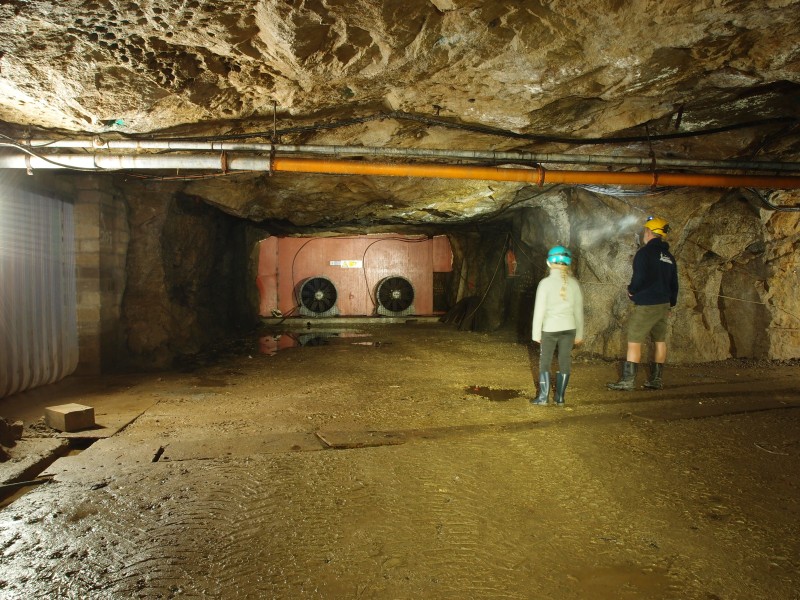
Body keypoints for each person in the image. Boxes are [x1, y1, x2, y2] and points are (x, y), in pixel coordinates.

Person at [608, 216, 679, 391]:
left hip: (647, 304)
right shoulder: (669, 257)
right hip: (663, 304)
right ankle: (656, 380)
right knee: (659, 341)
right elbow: (674, 284)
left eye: (644, 231)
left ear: (648, 232)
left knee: (634, 340)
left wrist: (632, 290)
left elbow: (639, 278)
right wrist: (671, 304)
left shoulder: (644, 253)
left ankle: (628, 380)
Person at [531, 246, 584, 406]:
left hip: (550, 329)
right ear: (568, 264)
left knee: (545, 362)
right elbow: (578, 311)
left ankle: (543, 398)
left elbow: (539, 311)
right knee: (564, 360)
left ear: (548, 263)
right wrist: (580, 334)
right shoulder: (574, 284)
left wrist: (535, 333)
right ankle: (560, 397)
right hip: (569, 329)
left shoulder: (545, 284)